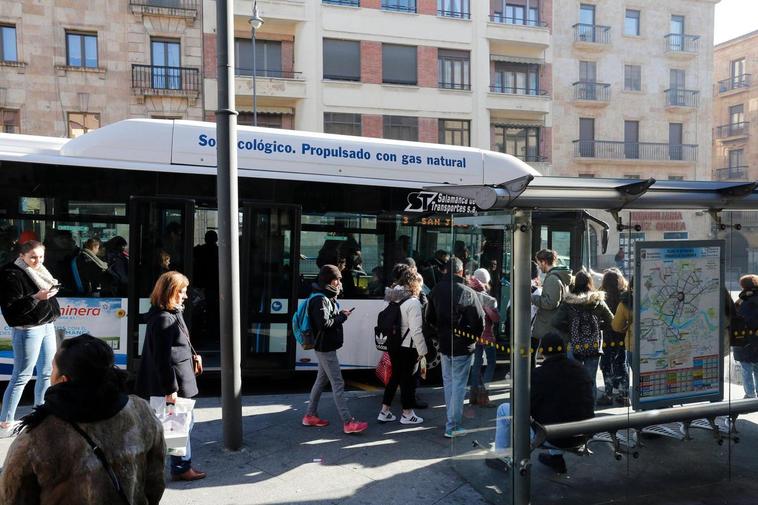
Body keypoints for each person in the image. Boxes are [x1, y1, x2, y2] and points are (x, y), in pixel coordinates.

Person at [0, 334, 165, 504]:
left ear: (64, 381)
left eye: (53, 369)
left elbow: (11, 498)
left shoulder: (35, 436)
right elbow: (155, 482)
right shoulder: (141, 412)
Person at [489, 332, 594, 474]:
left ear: (542, 351)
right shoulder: (581, 370)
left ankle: (501, 457)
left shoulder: (538, 375)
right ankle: (556, 459)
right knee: (558, 409)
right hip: (582, 434)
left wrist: (513, 385)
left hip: (553, 437)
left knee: (504, 409)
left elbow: (522, 409)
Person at [135, 271, 206, 481]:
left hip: (176, 378)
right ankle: (180, 467)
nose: (185, 296)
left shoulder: (169, 312)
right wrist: (170, 389)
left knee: (179, 424)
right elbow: (161, 358)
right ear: (171, 292)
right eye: (182, 292)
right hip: (172, 382)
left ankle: (179, 465)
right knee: (179, 424)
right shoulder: (164, 319)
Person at [0, 240, 60, 436]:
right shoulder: (11, 273)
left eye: (41, 256)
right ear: (21, 256)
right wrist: (36, 298)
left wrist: (50, 295)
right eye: (33, 257)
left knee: (46, 372)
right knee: (21, 375)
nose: (38, 260)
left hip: (46, 325)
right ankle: (5, 421)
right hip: (27, 329)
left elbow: (46, 296)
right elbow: (11, 307)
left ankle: (40, 415)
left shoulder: (41, 270)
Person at [302, 265, 368, 434]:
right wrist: (342, 317)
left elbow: (326, 319)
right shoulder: (320, 299)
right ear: (328, 280)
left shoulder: (324, 297)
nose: (339, 282)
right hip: (325, 347)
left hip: (324, 346)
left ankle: (310, 415)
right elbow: (324, 324)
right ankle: (348, 422)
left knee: (321, 381)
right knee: (338, 383)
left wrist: (339, 314)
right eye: (336, 279)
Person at [426, 257, 484, 438]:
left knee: (449, 383)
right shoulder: (467, 292)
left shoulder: (436, 290)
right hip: (463, 347)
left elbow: (429, 318)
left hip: (444, 344)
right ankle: (452, 425)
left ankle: (450, 421)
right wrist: (470, 338)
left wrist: (441, 333)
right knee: (458, 385)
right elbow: (479, 322)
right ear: (461, 272)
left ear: (445, 271)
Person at [552, 270, 614, 404]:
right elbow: (612, 321)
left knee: (573, 378)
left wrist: (570, 332)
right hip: (593, 346)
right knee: (590, 379)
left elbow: (555, 322)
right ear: (590, 283)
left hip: (574, 345)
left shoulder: (568, 303)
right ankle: (590, 408)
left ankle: (574, 407)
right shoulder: (598, 301)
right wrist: (597, 327)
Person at [377, 268, 428, 425]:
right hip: (407, 347)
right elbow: (416, 331)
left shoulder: (392, 297)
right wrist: (423, 351)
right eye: (420, 285)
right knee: (408, 381)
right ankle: (407, 414)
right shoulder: (413, 302)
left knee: (395, 377)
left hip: (393, 344)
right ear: (414, 284)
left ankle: (384, 411)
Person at [468, 268, 500, 408]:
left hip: (474, 336)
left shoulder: (468, 293)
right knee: (491, 364)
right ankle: (484, 396)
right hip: (487, 336)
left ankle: (473, 396)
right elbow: (496, 318)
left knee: (476, 365)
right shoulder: (487, 298)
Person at [597, 268, 629, 406]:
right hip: (622, 335)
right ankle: (624, 395)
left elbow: (598, 319)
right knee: (621, 363)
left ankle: (608, 394)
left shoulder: (602, 298)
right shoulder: (625, 297)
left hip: (607, 338)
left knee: (606, 365)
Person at [531, 249, 572, 345]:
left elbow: (550, 303)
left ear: (544, 262)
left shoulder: (552, 278)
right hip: (554, 325)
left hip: (550, 326)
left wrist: (532, 297)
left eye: (539, 263)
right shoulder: (558, 276)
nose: (539, 267)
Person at [733, 275, 758, 398]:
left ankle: (750, 394)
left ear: (742, 286)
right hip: (755, 340)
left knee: (746, 368)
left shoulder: (743, 301)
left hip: (745, 340)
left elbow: (736, 319)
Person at [611, 278, 634, 406]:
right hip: (659, 344)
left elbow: (616, 326)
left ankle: (642, 410)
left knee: (639, 379)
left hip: (634, 345)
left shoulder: (626, 302)